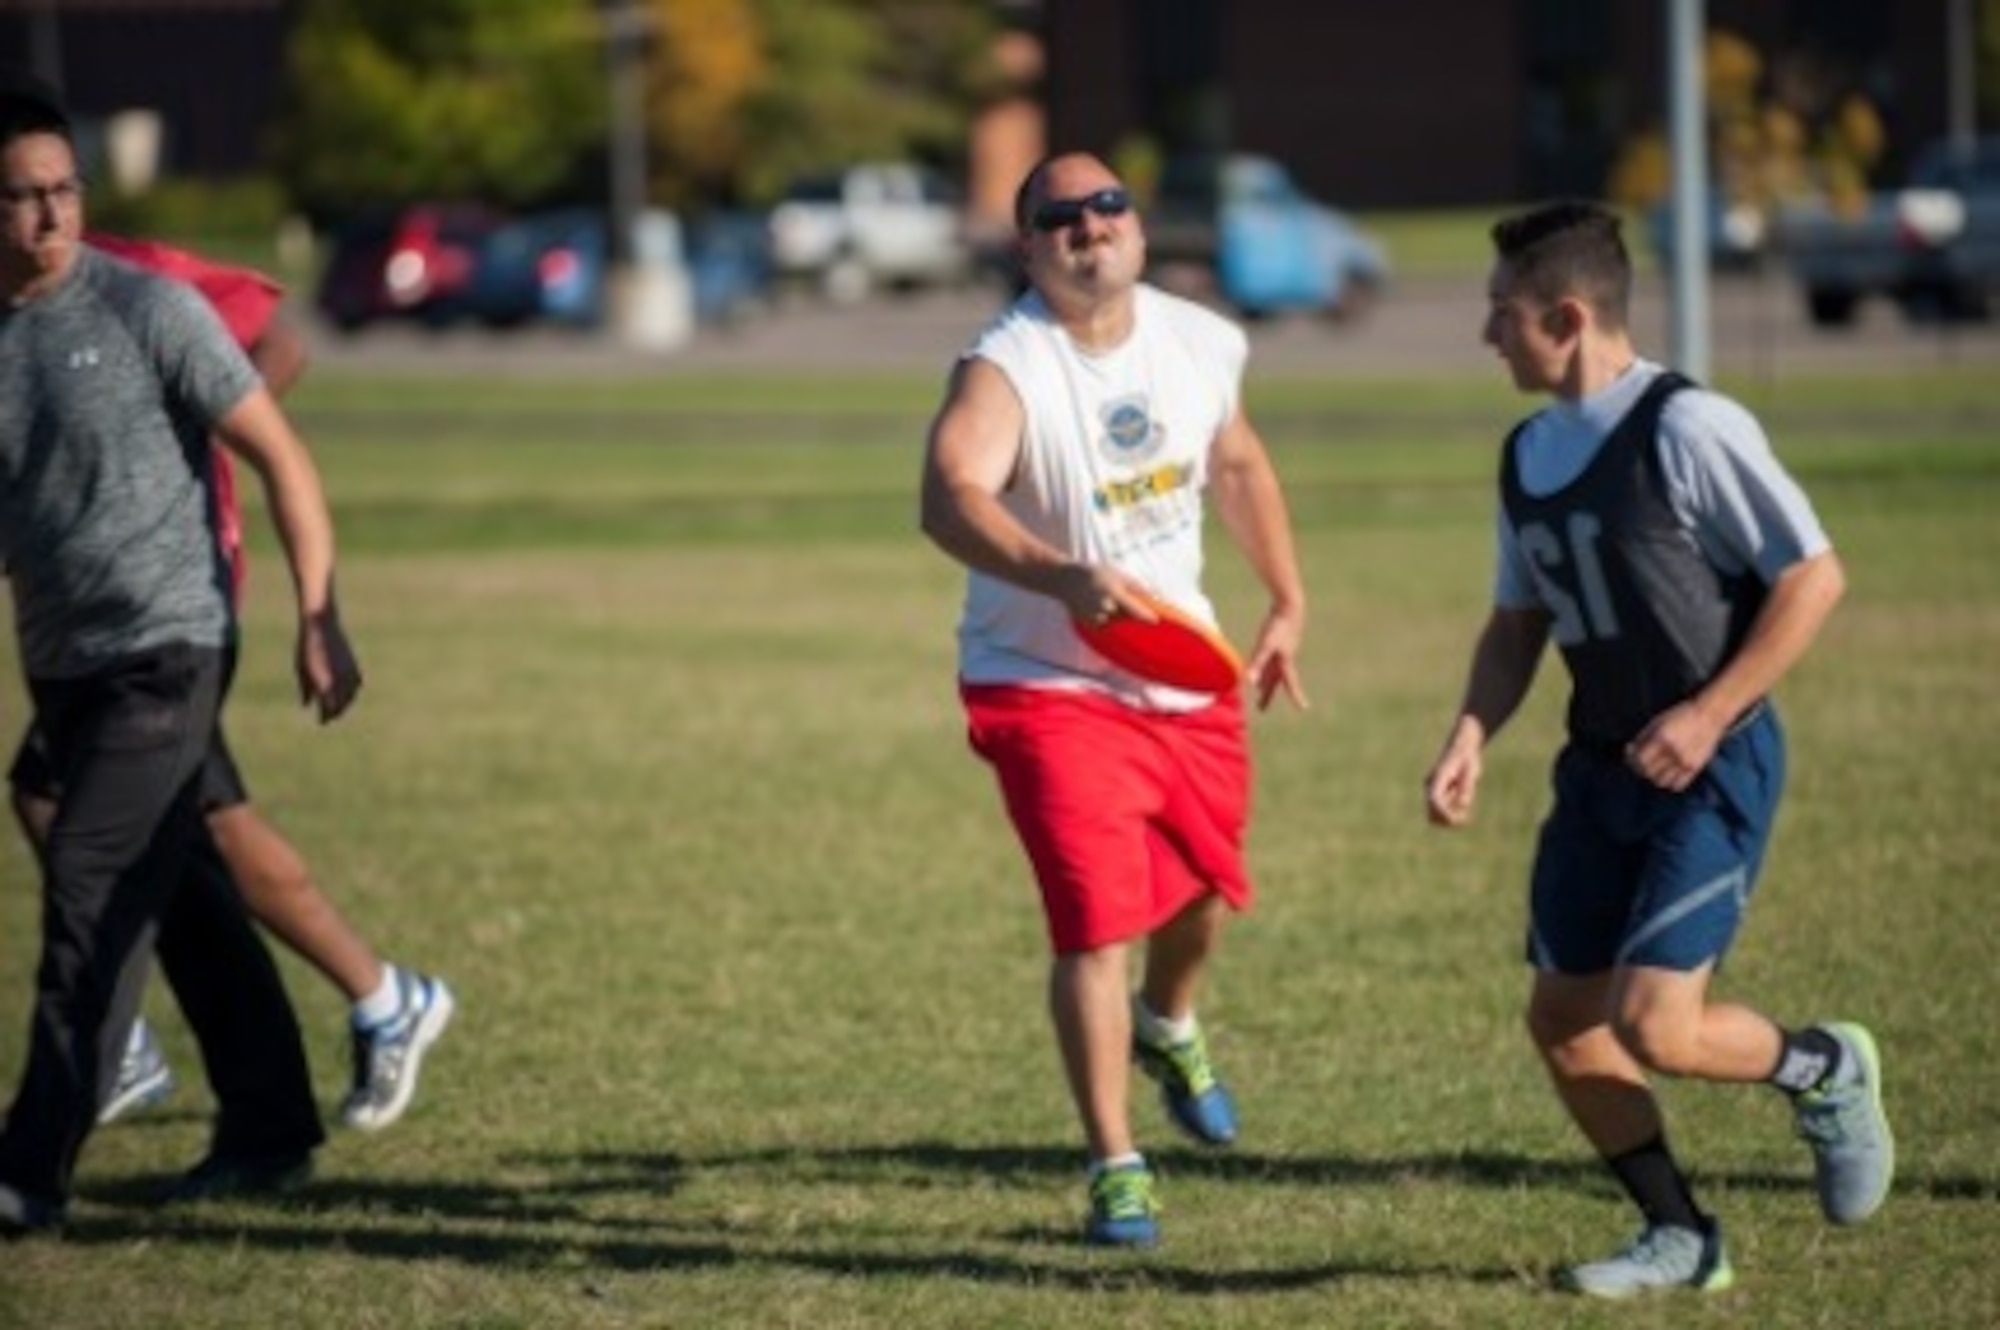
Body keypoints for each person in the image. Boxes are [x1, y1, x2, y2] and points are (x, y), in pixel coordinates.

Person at [1422, 201, 1894, 1297]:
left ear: (1568, 316)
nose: (1487, 336)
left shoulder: (1688, 426)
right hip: (1596, 771)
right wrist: (1467, 730)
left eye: (1502, 315)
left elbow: (1811, 576)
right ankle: (1680, 1234)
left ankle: (1821, 1064)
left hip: (1710, 763)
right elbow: (1514, 624)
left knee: (1654, 1023)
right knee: (1562, 1019)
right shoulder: (1525, 451)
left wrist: (1706, 710)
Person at [919, 151, 1309, 1247]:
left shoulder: (1200, 340)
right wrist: (1059, 575)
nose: (1091, 227)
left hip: (1180, 666)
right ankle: (1116, 1162)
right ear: (1029, 247)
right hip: (1042, 682)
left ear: (1136, 227)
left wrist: (1285, 598)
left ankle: (1169, 1022)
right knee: (1094, 919)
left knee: (1199, 895)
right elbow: (946, 496)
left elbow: (1233, 464)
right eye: (1063, 217)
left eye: (1109, 206)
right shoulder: (1006, 367)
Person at [0, 71, 360, 1235]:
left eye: (64, 190)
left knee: (92, 893)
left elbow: (281, 453)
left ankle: (28, 1172)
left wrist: (319, 613)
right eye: (22, 197)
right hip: (66, 662)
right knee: (179, 874)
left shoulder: (147, 309)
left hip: (172, 645)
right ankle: (267, 1122)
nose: (50, 216)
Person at [5, 231, 454, 1135]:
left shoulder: (130, 278)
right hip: (91, 627)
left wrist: (188, 418)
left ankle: (103, 1058)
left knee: (110, 819)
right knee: (162, 824)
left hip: (173, 607)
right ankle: (314, 1056)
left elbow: (278, 342)